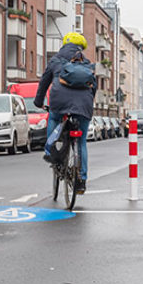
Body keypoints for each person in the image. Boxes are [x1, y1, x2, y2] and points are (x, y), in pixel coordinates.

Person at [34, 32, 97, 194]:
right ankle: (81, 180)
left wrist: (38, 102)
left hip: (59, 102)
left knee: (54, 118)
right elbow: (94, 86)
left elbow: (44, 83)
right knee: (81, 141)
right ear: (80, 48)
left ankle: (50, 151)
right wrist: (89, 102)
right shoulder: (87, 63)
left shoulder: (55, 61)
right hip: (83, 104)